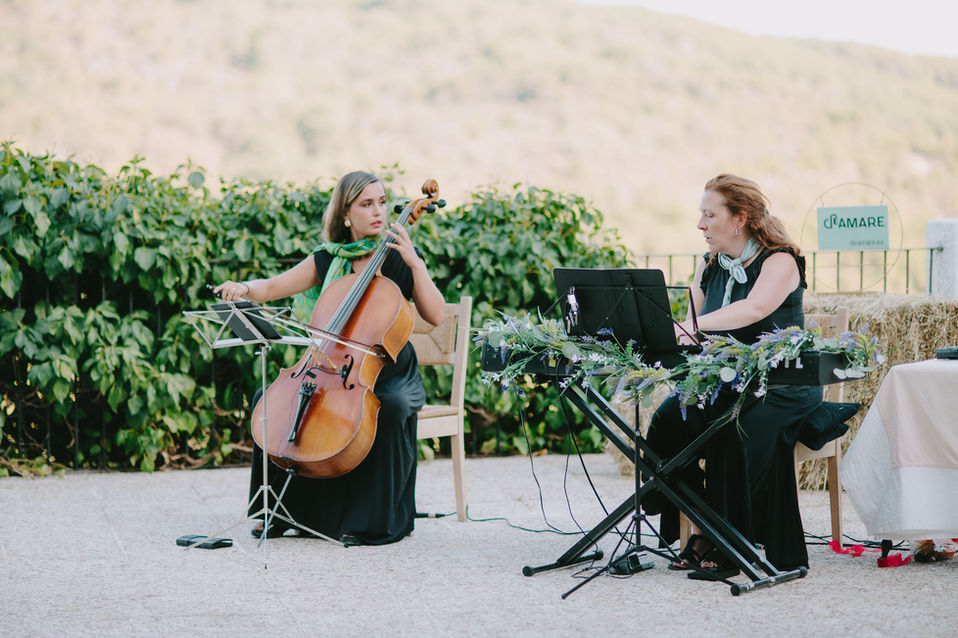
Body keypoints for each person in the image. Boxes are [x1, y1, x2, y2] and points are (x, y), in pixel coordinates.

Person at [214, 170, 445, 545]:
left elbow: (435, 316)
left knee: (391, 408)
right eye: (366, 204)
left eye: (382, 202)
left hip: (388, 372)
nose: (378, 211)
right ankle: (278, 512)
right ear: (346, 214)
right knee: (267, 400)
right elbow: (272, 286)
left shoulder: (401, 256)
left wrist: (416, 264)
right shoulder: (327, 258)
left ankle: (373, 523)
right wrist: (243, 288)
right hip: (331, 367)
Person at [643, 173, 821, 578]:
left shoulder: (779, 260)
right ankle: (702, 524)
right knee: (668, 421)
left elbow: (754, 309)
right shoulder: (709, 265)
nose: (700, 225)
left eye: (710, 215)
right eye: (701, 215)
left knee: (732, 429)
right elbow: (691, 324)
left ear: (739, 219)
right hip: (726, 380)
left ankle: (728, 542)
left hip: (782, 384)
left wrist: (692, 326)